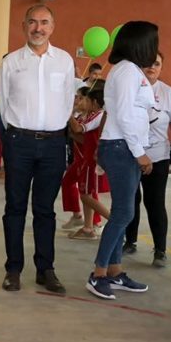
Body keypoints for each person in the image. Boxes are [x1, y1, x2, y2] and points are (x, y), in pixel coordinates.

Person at [0, 4, 76, 295]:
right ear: (23, 26)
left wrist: (57, 132)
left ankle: (46, 269)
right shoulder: (11, 62)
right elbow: (3, 106)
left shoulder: (65, 61)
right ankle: (13, 269)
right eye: (32, 22)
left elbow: (68, 101)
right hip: (19, 142)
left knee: (45, 210)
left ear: (52, 27)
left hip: (54, 143)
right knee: (15, 208)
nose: (38, 28)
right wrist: (12, 140)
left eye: (44, 22)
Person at [86, 21, 158, 300]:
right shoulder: (127, 71)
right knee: (124, 214)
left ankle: (114, 271)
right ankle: (99, 273)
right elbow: (126, 115)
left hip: (122, 146)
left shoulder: (131, 70)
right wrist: (139, 152)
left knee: (122, 211)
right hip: (121, 147)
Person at [123, 52, 171, 267]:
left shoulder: (168, 93)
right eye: (148, 63)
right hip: (131, 155)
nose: (152, 67)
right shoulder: (130, 89)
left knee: (155, 202)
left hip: (158, 156)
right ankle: (129, 241)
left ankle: (160, 250)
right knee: (130, 201)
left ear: (161, 67)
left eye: (157, 64)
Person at [63, 82, 108, 240]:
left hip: (92, 160)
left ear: (94, 102)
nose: (82, 102)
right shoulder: (90, 115)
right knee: (85, 192)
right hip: (86, 160)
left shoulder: (99, 115)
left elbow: (77, 130)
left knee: (87, 195)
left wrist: (68, 113)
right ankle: (88, 228)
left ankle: (113, 221)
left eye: (85, 100)